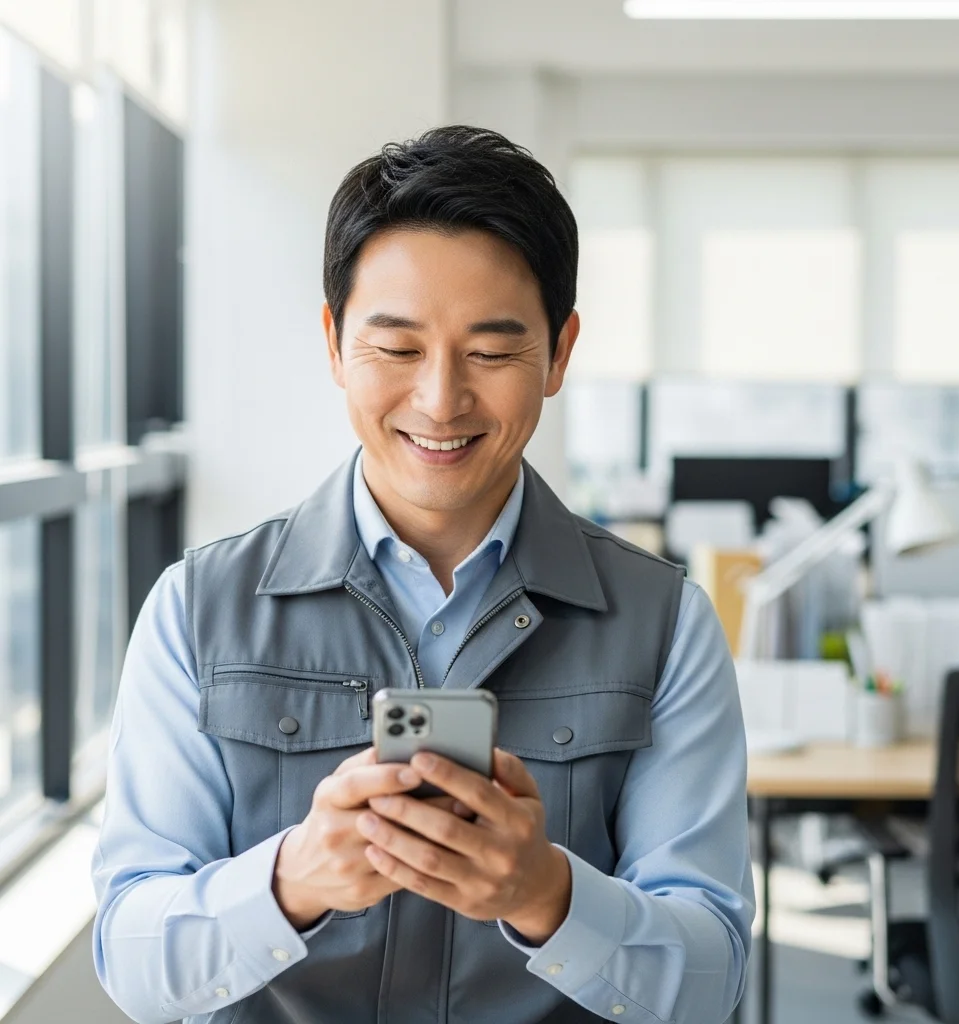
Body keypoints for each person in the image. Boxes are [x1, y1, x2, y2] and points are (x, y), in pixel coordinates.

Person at [92, 125, 754, 1024]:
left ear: (559, 354)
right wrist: (293, 880)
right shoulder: (196, 609)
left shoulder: (665, 620)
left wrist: (546, 896)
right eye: (398, 349)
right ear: (334, 344)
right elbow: (133, 963)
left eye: (490, 352)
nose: (440, 400)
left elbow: (712, 982)